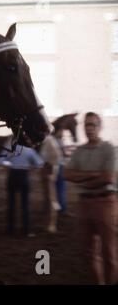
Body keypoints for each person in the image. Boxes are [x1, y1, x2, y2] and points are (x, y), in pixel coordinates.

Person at [64, 112, 117, 285]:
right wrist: (95, 175)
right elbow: (66, 174)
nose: (89, 128)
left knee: (109, 252)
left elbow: (108, 177)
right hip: (84, 204)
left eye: (93, 125)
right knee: (89, 253)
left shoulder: (109, 149)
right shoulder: (79, 151)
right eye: (87, 125)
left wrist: (81, 177)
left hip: (105, 203)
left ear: (100, 127)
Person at [0, 144, 43, 237]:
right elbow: (39, 163)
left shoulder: (10, 148)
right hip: (24, 175)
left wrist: (8, 165)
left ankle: (10, 229)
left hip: (12, 175)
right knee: (25, 204)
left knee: (11, 203)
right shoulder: (29, 149)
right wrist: (31, 169)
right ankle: (26, 230)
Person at [39, 126, 63, 233]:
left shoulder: (48, 140)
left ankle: (52, 224)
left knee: (51, 199)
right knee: (50, 199)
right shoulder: (51, 140)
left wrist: (51, 172)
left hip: (49, 171)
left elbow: (55, 157)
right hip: (50, 170)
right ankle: (49, 223)